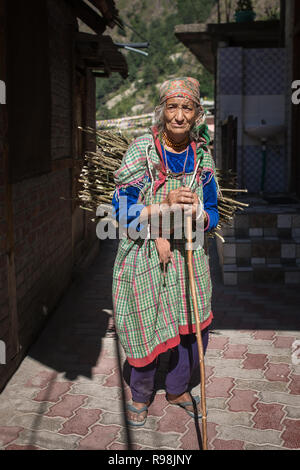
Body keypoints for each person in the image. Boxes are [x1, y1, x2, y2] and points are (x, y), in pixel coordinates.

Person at [111, 77, 219, 426]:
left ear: (197, 114)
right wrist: (164, 207)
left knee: (191, 326)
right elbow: (120, 210)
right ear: (162, 111)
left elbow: (214, 213)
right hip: (145, 255)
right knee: (145, 323)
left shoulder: (201, 156)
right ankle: (141, 393)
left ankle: (176, 388)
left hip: (189, 254)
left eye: (187, 108)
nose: (178, 116)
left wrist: (200, 215)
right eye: (172, 107)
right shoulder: (143, 150)